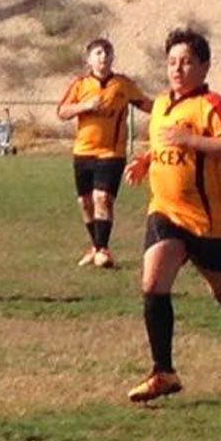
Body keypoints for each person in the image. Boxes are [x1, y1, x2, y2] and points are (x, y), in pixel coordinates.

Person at [124, 28, 221, 404]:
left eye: (187, 61)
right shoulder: (159, 105)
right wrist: (145, 161)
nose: (178, 68)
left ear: (204, 66)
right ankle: (163, 372)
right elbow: (162, 145)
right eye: (172, 61)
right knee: (153, 284)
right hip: (166, 212)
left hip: (209, 221)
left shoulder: (212, 105)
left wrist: (192, 141)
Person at [55, 37, 148, 269]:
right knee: (85, 202)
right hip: (83, 152)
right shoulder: (80, 85)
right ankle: (96, 247)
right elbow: (62, 111)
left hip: (111, 153)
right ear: (89, 59)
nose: (103, 56)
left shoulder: (122, 85)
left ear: (113, 57)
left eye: (107, 52)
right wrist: (84, 106)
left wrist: (172, 110)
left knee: (102, 198)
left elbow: (146, 104)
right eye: (98, 53)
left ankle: (103, 250)